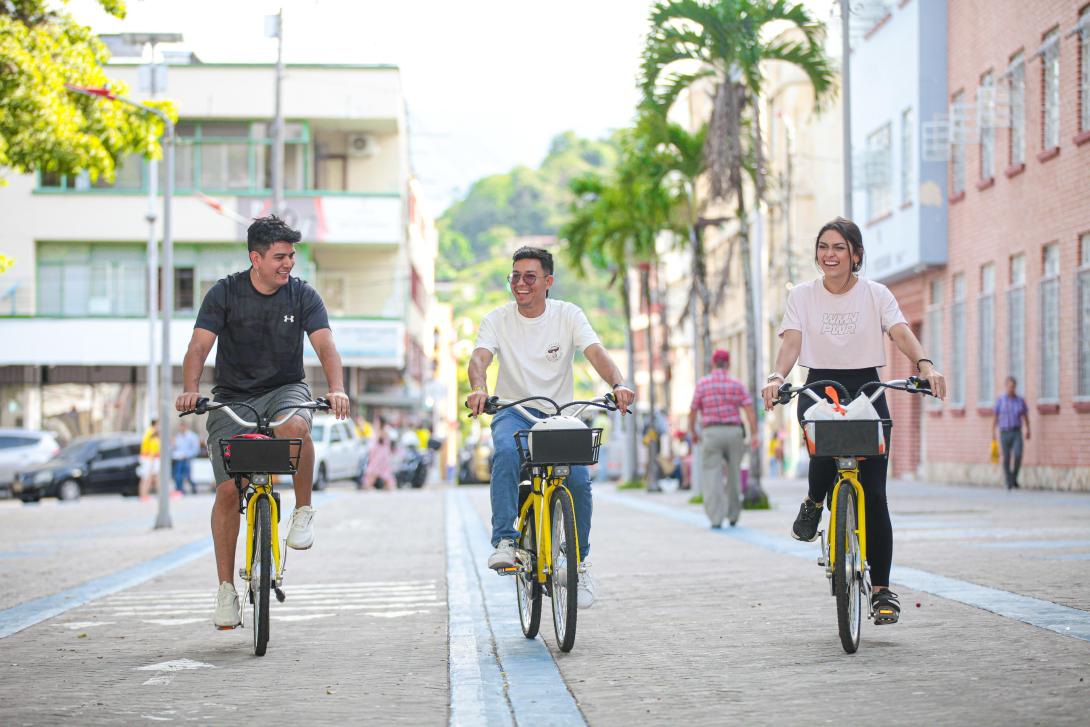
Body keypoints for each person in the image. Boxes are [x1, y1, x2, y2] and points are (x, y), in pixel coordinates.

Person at [761, 217, 947, 626]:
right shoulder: (803, 296)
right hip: (818, 385)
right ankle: (814, 502)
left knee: (875, 495)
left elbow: (899, 331)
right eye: (824, 246)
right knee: (824, 455)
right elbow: (791, 342)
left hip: (867, 387)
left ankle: (882, 591)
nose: (829, 254)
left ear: (856, 255)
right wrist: (777, 376)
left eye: (839, 247)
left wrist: (926, 364)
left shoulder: (876, 294)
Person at [174, 215, 351, 630]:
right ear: (255, 257)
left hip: (284, 389)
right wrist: (189, 388)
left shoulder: (303, 296)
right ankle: (225, 592)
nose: (288, 263)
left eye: (291, 255)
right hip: (232, 398)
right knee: (226, 493)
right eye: (279, 256)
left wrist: (338, 388)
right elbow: (199, 345)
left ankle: (303, 509)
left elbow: (325, 344)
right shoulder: (225, 293)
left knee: (295, 426)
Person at [465, 246, 635, 608]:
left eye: (529, 277)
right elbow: (480, 357)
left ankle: (577, 563)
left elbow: (596, 353)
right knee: (507, 454)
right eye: (515, 276)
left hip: (560, 415)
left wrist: (618, 383)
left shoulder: (568, 315)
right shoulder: (497, 319)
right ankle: (506, 541)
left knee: (578, 481)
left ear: (548, 282)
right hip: (514, 411)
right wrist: (479, 388)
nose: (520, 284)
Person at [688, 349, 759, 528]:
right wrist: (754, 433)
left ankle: (716, 518)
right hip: (734, 433)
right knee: (734, 474)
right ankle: (733, 515)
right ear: (728, 364)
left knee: (712, 475)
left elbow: (693, 410)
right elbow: (749, 409)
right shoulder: (736, 384)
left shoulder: (703, 384)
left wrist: (693, 432)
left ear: (713, 363)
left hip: (711, 433)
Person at [992, 376, 1030, 490]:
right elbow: (995, 417)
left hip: (1016, 432)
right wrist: (993, 432)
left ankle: (1013, 478)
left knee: (1018, 454)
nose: (1011, 389)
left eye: (1013, 387)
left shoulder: (1020, 401)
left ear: (1015, 387)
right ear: (1006, 386)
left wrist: (1028, 429)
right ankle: (1009, 482)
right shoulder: (1001, 400)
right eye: (1009, 386)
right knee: (1006, 457)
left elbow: (1025, 416)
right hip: (1004, 432)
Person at [361, 418, 396, 491]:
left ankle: (368, 486)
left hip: (380, 457)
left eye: (377, 422)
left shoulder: (383, 432)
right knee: (376, 473)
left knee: (375, 472)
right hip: (378, 456)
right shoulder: (380, 432)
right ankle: (368, 486)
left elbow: (377, 444)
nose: (375, 424)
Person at [171, 421, 201, 496]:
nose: (181, 428)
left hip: (188, 458)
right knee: (178, 475)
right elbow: (175, 448)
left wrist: (187, 455)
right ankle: (179, 490)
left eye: (182, 427)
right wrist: (173, 444)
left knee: (188, 476)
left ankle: (193, 487)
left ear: (185, 427)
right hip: (178, 459)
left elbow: (195, 449)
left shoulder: (192, 436)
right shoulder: (178, 436)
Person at [138, 419, 160, 501]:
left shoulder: (150, 432)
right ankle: (143, 496)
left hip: (149, 458)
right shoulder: (152, 433)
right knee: (146, 477)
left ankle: (145, 495)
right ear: (156, 424)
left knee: (153, 477)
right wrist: (151, 461)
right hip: (148, 458)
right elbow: (153, 448)